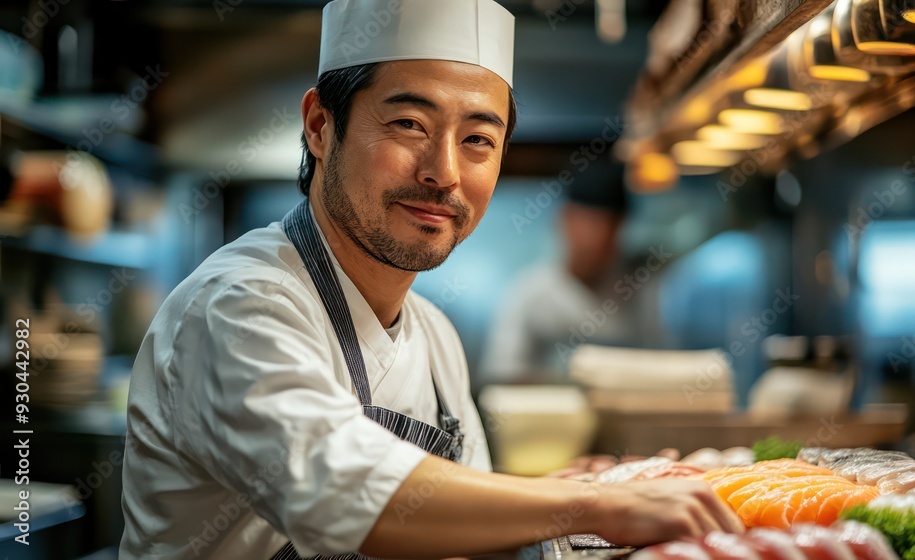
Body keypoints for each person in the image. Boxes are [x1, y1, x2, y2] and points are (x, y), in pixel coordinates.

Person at [119, 1, 741, 558]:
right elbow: (340, 495)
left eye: (477, 139)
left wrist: (550, 498)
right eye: (409, 125)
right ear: (319, 124)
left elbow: (450, 537)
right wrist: (593, 508)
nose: (443, 172)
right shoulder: (237, 304)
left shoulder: (436, 339)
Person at [481, 162, 663, 383]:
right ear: (565, 220)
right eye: (589, 224)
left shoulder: (642, 291)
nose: (597, 239)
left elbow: (662, 366)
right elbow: (501, 376)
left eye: (609, 226)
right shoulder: (530, 294)